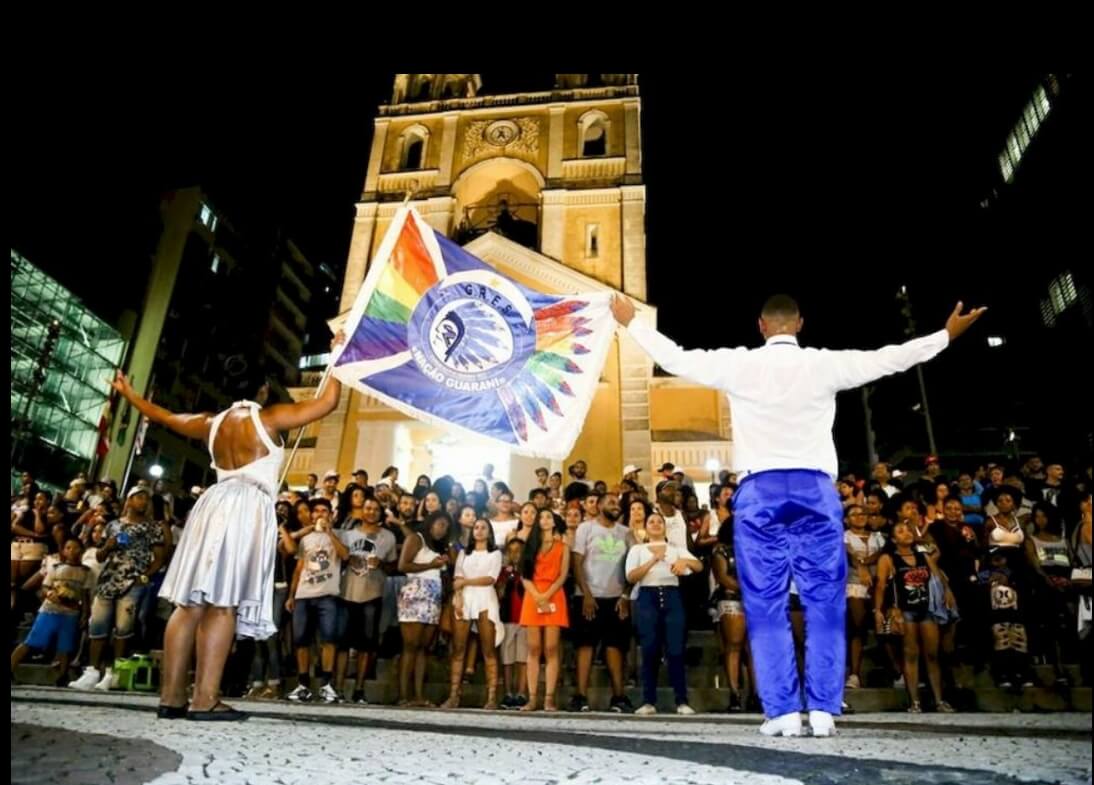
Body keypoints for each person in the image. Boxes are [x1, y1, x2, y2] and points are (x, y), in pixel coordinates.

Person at [611, 291, 985, 736]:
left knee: (765, 602)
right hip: (815, 491)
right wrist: (944, 335)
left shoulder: (740, 364)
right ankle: (825, 708)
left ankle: (784, 712)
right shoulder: (822, 363)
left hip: (760, 492)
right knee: (824, 599)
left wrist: (632, 321)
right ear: (800, 324)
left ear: (762, 326)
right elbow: (889, 358)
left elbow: (675, 357)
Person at [107, 331, 346, 721]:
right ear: (264, 389)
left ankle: (171, 699)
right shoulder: (270, 418)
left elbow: (162, 415)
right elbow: (329, 401)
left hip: (211, 504)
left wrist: (128, 393)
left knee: (188, 606)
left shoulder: (211, 423)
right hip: (247, 506)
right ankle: (205, 699)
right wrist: (338, 354)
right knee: (222, 606)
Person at [875, 521, 957, 713]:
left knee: (932, 655)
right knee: (910, 654)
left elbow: (938, 578)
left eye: (908, 530)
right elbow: (880, 585)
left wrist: (947, 592)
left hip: (927, 608)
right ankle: (915, 702)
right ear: (894, 539)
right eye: (900, 531)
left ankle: (939, 700)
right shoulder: (888, 558)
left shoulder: (923, 556)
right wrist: (878, 610)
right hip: (905, 610)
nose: (907, 533)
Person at [626, 512, 703, 715]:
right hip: (647, 596)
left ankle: (682, 700)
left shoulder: (676, 549)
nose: (656, 524)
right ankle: (648, 700)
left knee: (676, 648)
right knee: (650, 649)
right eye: (652, 521)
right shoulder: (638, 549)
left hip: (672, 595)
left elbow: (699, 565)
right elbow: (631, 576)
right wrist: (653, 560)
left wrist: (684, 563)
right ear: (646, 527)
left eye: (659, 521)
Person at [443, 519, 504, 709]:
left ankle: (492, 697)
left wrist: (465, 583)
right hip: (465, 598)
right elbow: (457, 578)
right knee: (459, 648)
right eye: (476, 527)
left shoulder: (495, 554)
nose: (478, 531)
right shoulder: (464, 553)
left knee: (488, 649)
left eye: (483, 528)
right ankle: (454, 695)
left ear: (489, 532)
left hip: (486, 598)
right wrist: (459, 596)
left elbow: (490, 578)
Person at [519, 509, 570, 712]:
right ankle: (532, 698)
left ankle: (548, 698)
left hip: (554, 594)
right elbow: (524, 575)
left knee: (551, 648)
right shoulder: (530, 546)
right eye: (541, 517)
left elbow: (563, 574)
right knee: (533, 648)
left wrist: (546, 595)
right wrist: (538, 596)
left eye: (549, 517)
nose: (545, 520)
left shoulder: (562, 547)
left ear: (554, 521)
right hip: (533, 596)